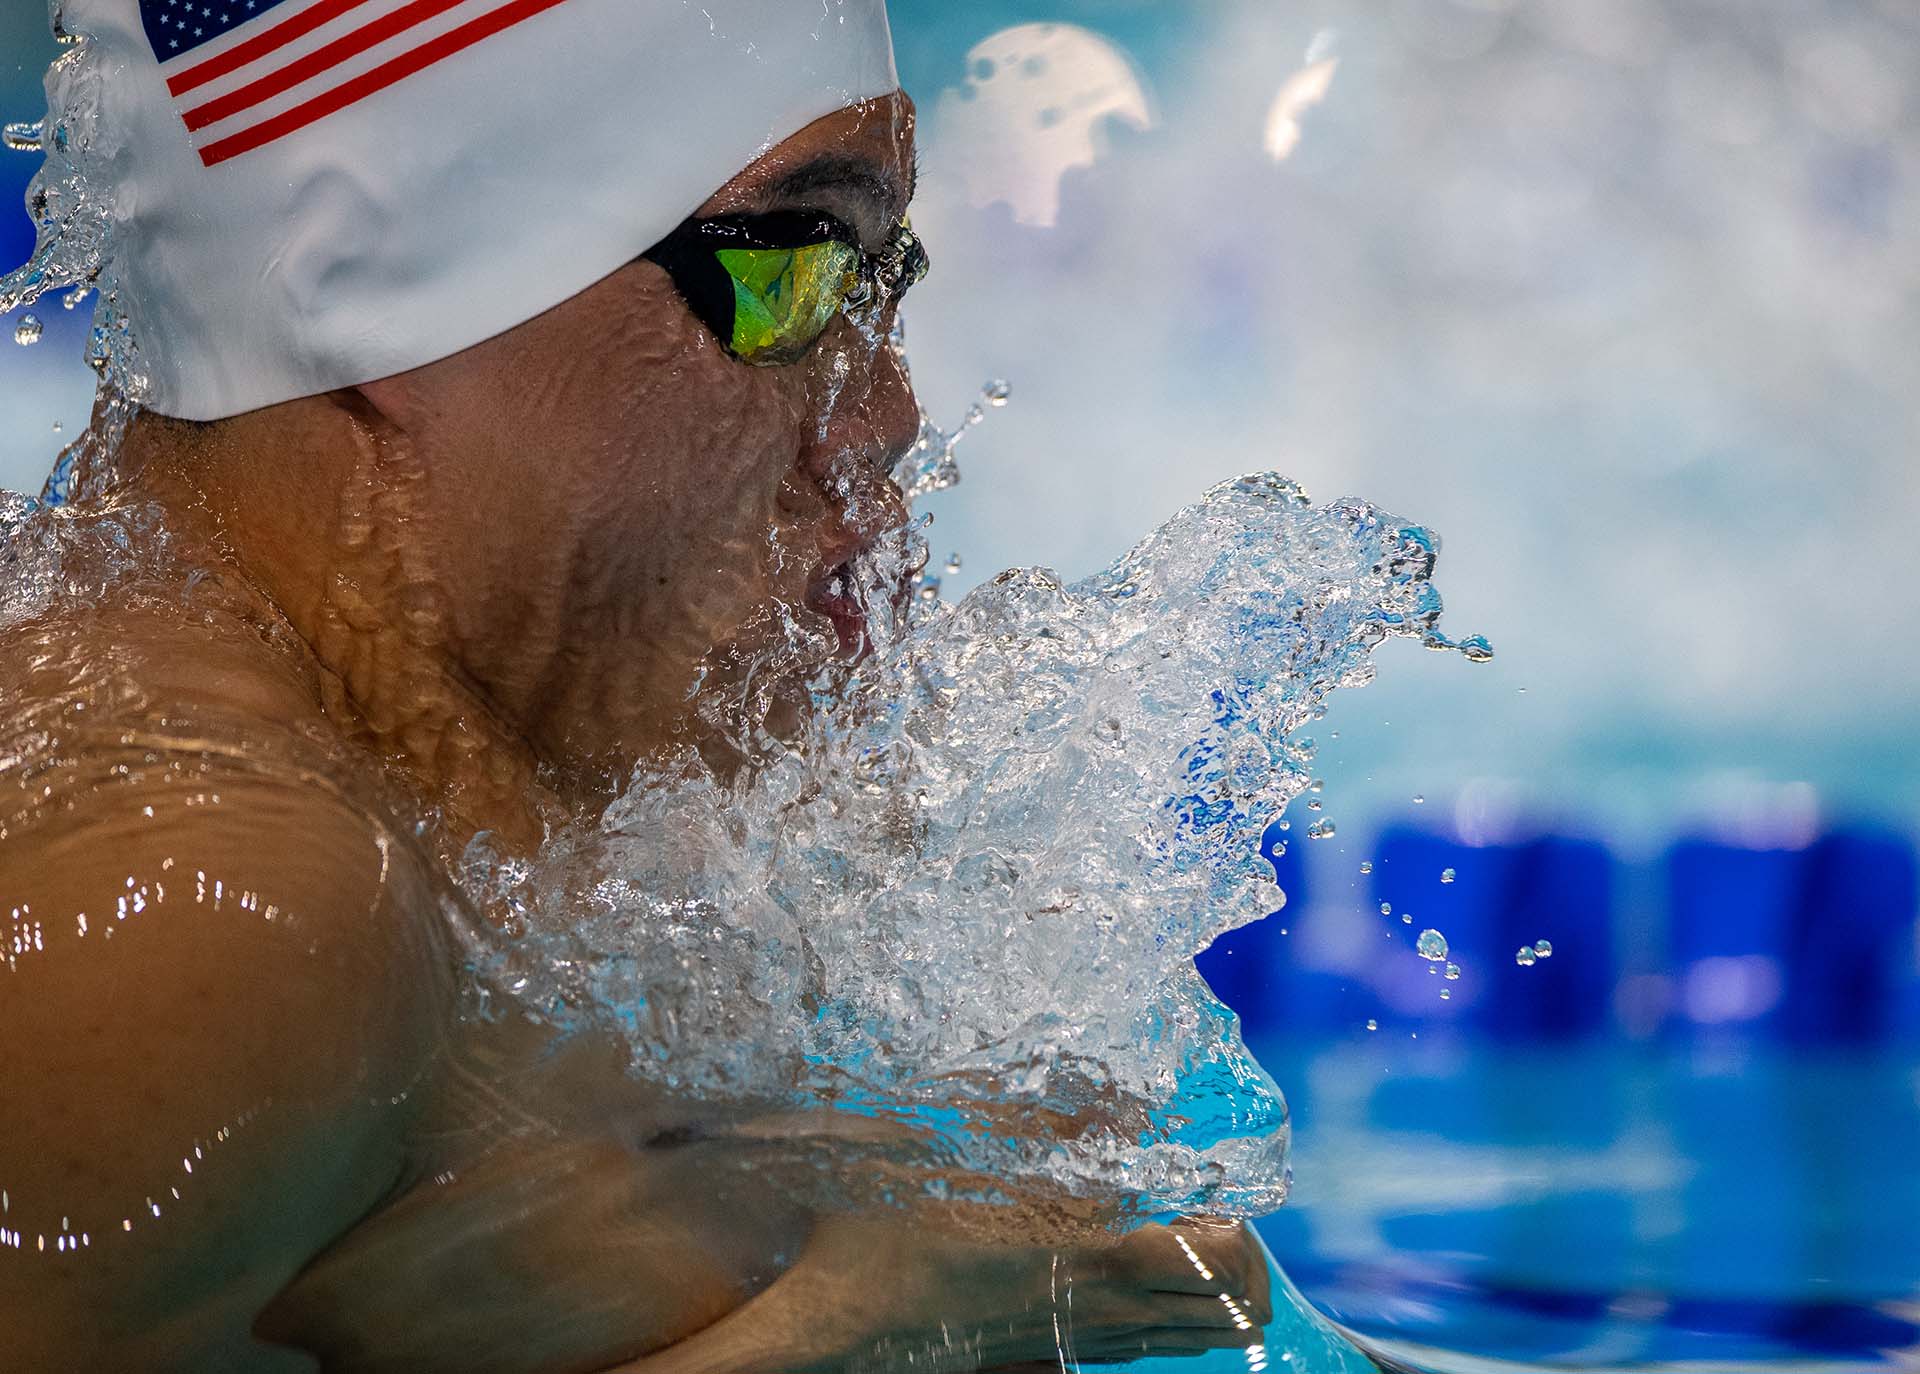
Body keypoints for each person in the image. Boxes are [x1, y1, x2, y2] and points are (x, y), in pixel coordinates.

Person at [0, 1, 1273, 1368]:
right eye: (791, 271)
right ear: (369, 288)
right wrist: (868, 1321)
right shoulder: (198, 898)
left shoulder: (433, 774)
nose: (888, 411)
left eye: (882, 278)